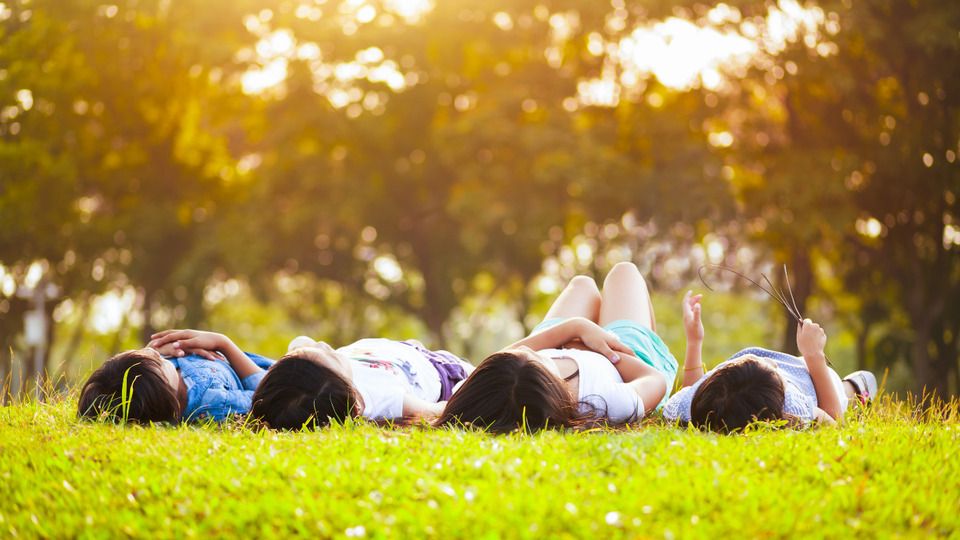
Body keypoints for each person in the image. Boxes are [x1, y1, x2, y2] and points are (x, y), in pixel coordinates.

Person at [436, 262, 679, 433]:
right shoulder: (603, 400)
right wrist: (600, 351)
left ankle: (572, 333)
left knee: (582, 284)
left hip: (562, 338)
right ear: (545, 376)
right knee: (624, 273)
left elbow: (498, 361)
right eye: (533, 356)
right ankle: (649, 341)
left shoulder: (487, 392)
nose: (527, 349)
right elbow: (653, 379)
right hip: (625, 356)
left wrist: (575, 329)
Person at [663, 291, 878, 432]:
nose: (769, 361)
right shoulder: (795, 408)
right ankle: (852, 391)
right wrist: (815, 356)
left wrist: (694, 341)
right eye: (772, 368)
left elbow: (692, 388)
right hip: (809, 378)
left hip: (773, 377)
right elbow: (833, 421)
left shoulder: (691, 406)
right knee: (845, 392)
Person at [250, 336, 475, 430]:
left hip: (403, 352)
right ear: (339, 383)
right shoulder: (383, 399)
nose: (323, 345)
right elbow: (442, 411)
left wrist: (225, 344)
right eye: (331, 355)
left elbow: (263, 380)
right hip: (444, 369)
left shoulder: (293, 384)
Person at [77, 330, 273, 424]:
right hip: (273, 371)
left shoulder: (160, 373)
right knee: (302, 348)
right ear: (163, 388)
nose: (152, 351)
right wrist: (223, 343)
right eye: (155, 360)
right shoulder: (212, 403)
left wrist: (180, 347)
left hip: (249, 360)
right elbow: (269, 394)